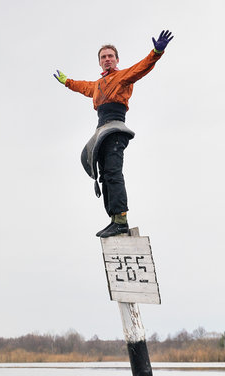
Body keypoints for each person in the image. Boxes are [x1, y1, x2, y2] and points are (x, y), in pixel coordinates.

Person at [54, 30, 173, 237]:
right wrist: (67, 82)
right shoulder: (98, 85)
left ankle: (121, 220)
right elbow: (83, 87)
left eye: (110, 56)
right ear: (99, 62)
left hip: (116, 128)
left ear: (116, 59)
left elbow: (142, 67)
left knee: (113, 173)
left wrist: (156, 52)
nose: (107, 59)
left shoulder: (123, 76)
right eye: (103, 57)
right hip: (102, 130)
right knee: (105, 175)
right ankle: (113, 218)